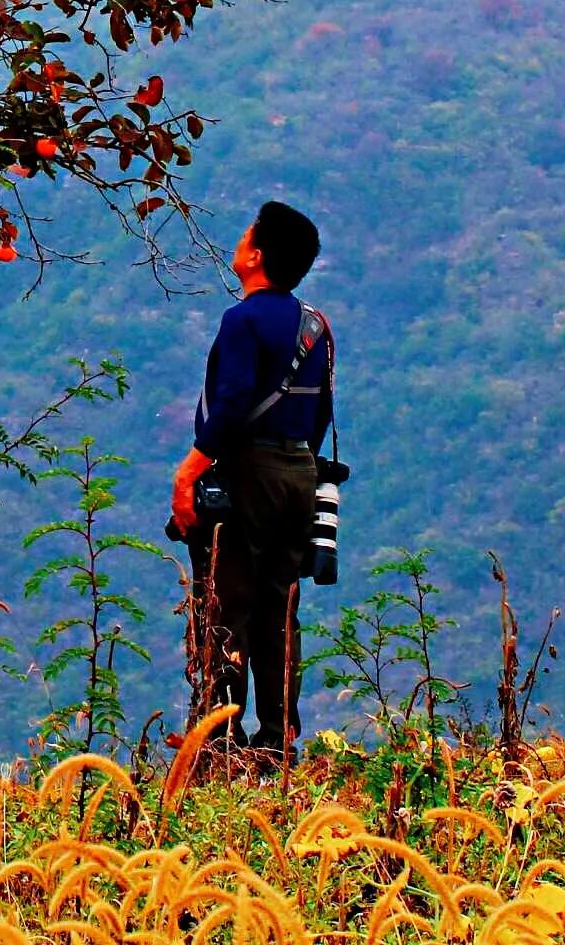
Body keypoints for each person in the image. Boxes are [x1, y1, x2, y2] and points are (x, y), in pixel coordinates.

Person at [169, 200, 332, 755]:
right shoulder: (315, 325)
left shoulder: (241, 320)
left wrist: (191, 469)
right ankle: (278, 737)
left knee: (226, 603)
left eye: (244, 237)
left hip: (249, 471)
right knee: (278, 605)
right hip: (300, 474)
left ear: (256, 255)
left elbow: (233, 402)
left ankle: (220, 739)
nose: (237, 243)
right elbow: (322, 411)